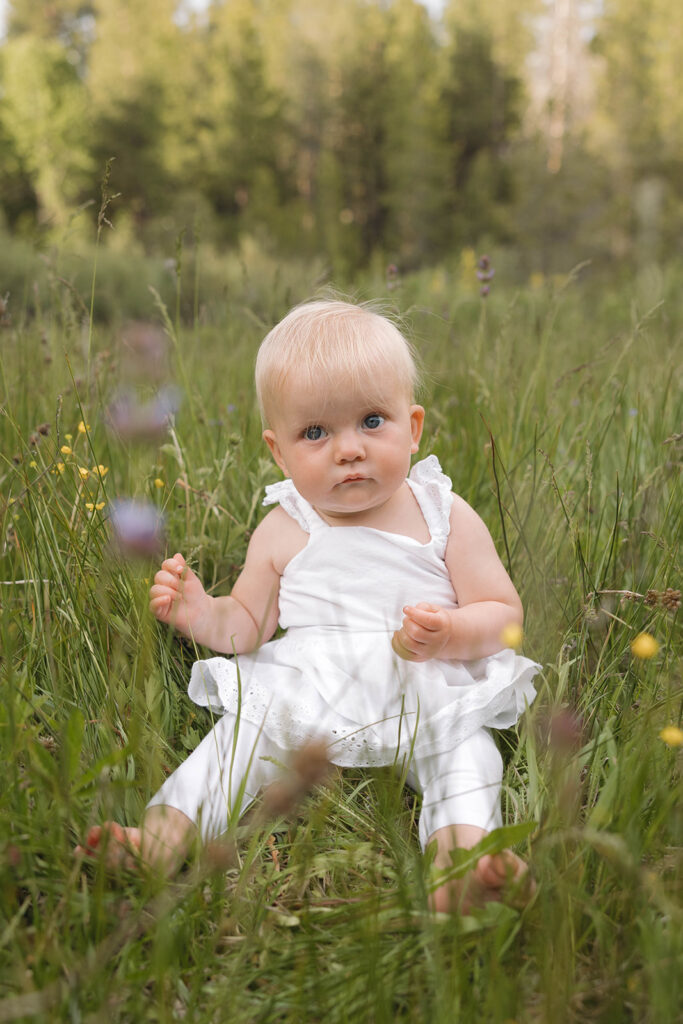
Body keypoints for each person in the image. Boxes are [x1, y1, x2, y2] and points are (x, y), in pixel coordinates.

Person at [79, 300, 539, 912]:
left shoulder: (441, 513)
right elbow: (247, 624)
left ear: (415, 426)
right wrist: (199, 611)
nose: (348, 449)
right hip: (309, 688)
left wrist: (452, 630)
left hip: (427, 685)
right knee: (234, 742)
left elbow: (504, 614)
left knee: (466, 754)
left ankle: (464, 860)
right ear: (279, 451)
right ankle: (163, 837)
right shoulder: (283, 528)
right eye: (316, 433)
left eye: (373, 421)